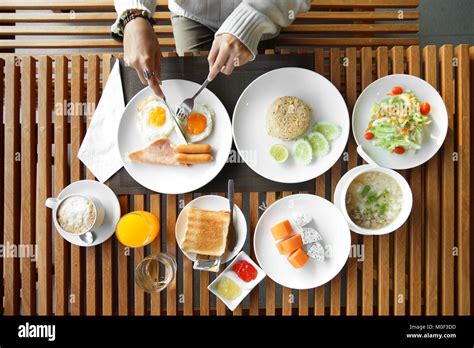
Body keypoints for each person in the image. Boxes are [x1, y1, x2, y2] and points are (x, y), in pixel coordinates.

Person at [112, 0, 311, 97]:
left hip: (265, 13)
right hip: (191, 12)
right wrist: (133, 15)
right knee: (193, 89)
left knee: (254, 95)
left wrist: (253, 18)